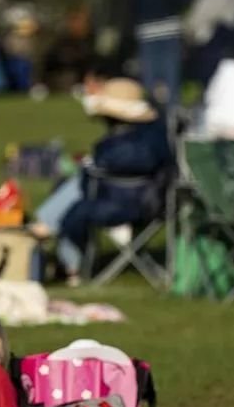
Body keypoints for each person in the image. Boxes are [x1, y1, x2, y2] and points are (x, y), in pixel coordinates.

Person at [39, 78, 173, 284]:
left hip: (128, 204)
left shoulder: (121, 147)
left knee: (77, 195)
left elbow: (92, 179)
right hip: (152, 200)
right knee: (74, 185)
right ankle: (51, 235)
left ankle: (66, 259)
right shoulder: (154, 135)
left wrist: (89, 167)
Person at [129, 0, 191, 111]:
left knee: (150, 77)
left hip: (148, 34)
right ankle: (173, 111)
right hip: (169, 31)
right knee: (171, 77)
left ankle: (152, 111)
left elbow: (133, 9)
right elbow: (185, 0)